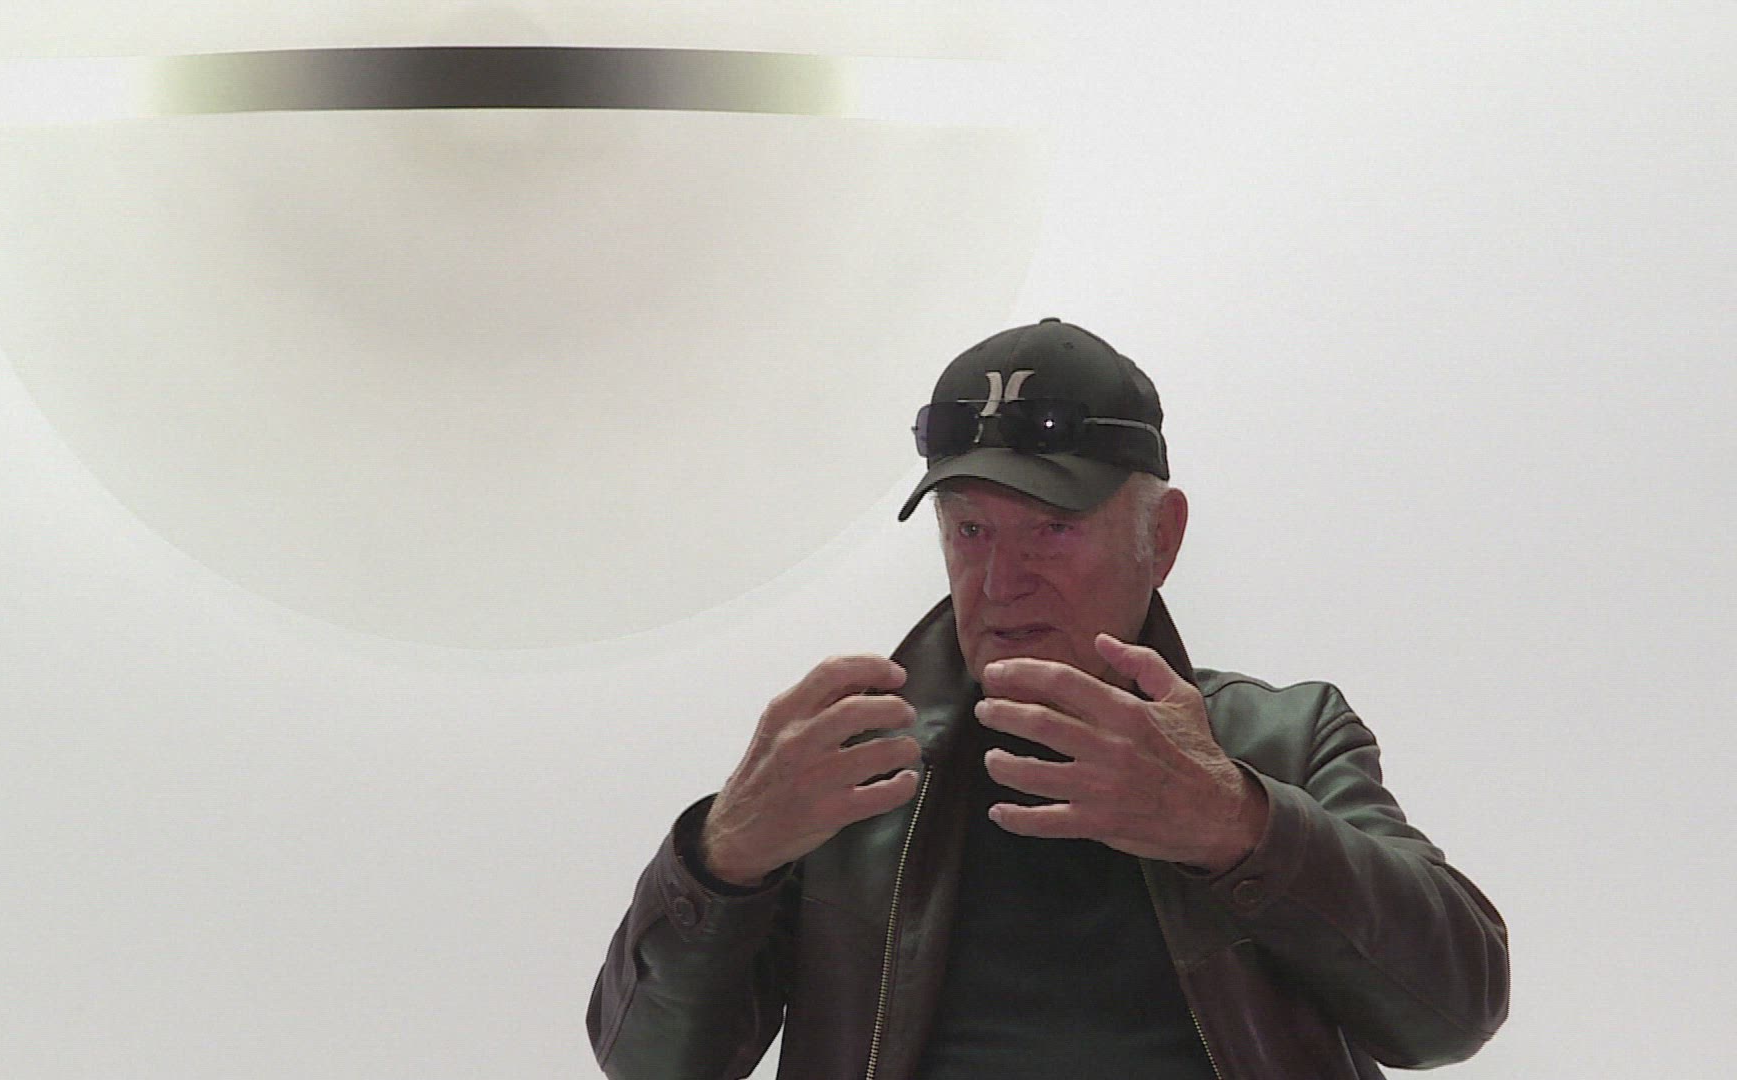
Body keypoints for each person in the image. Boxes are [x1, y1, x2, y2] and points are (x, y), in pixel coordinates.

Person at [586, 318, 1509, 1080]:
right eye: (970, 530)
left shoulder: (1286, 738)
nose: (1001, 581)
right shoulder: (848, 767)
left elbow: (1451, 1014)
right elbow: (649, 1065)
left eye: (1054, 530)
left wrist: (1234, 823)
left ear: (1162, 536)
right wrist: (720, 862)